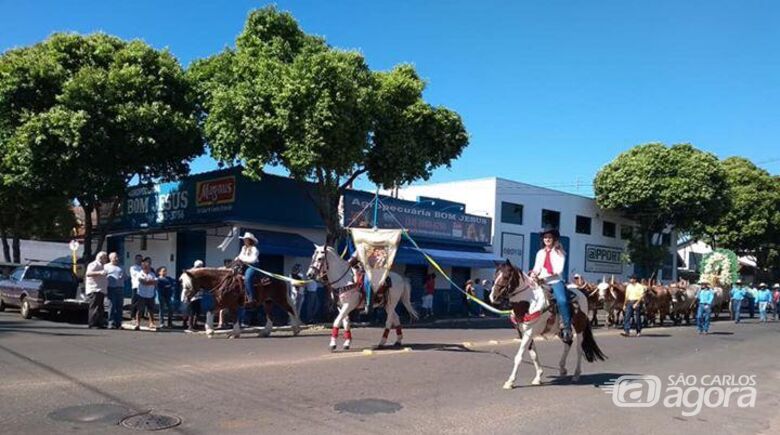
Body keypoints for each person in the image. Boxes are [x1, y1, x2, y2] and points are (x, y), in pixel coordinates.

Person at [530, 226, 572, 343]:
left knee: (562, 301)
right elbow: (536, 268)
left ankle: (566, 327)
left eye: (549, 237)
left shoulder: (560, 252)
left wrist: (542, 277)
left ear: (554, 239)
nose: (547, 239)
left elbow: (558, 270)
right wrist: (533, 274)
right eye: (545, 237)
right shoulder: (540, 253)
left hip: (555, 282)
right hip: (541, 282)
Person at [85, 251, 109, 329]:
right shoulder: (94, 264)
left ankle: (99, 323)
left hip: (101, 289)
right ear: (100, 258)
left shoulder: (103, 266)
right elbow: (88, 273)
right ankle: (92, 323)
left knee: (100, 307)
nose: (106, 259)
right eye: (105, 258)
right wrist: (100, 272)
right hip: (94, 289)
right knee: (94, 307)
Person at [235, 232, 260, 304]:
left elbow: (253, 260)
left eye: (246, 240)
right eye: (244, 239)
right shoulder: (243, 248)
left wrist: (242, 259)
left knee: (248, 278)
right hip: (244, 265)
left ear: (250, 241)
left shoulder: (254, 249)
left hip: (253, 266)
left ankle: (251, 298)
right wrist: (236, 259)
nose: (244, 241)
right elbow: (240, 256)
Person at [104, 252, 126, 329]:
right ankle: (111, 323)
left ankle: (118, 323)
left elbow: (126, 277)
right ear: (110, 258)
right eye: (115, 257)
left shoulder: (121, 267)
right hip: (111, 288)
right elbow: (103, 277)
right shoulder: (106, 266)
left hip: (120, 288)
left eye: (117, 257)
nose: (117, 259)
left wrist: (123, 276)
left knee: (119, 306)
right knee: (111, 306)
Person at [134, 259, 157, 330]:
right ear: (143, 267)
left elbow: (156, 282)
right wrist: (150, 282)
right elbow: (143, 282)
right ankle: (137, 323)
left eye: (148, 266)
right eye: (146, 267)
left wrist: (149, 281)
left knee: (151, 310)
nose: (147, 268)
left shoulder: (152, 274)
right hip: (141, 294)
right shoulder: (139, 273)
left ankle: (151, 323)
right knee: (140, 310)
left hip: (151, 294)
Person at [183, 260, 205, 331]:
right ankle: (190, 325)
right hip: (191, 292)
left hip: (198, 293)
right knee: (191, 310)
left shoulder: (200, 272)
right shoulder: (190, 272)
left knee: (197, 310)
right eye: (199, 266)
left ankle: (195, 324)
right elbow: (184, 281)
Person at [128, 254, 143, 321]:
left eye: (141, 259)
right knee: (135, 302)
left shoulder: (143, 267)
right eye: (138, 259)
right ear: (135, 259)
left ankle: (141, 315)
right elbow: (137, 275)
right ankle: (133, 315)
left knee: (142, 302)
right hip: (136, 286)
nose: (139, 260)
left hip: (143, 287)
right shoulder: (133, 267)